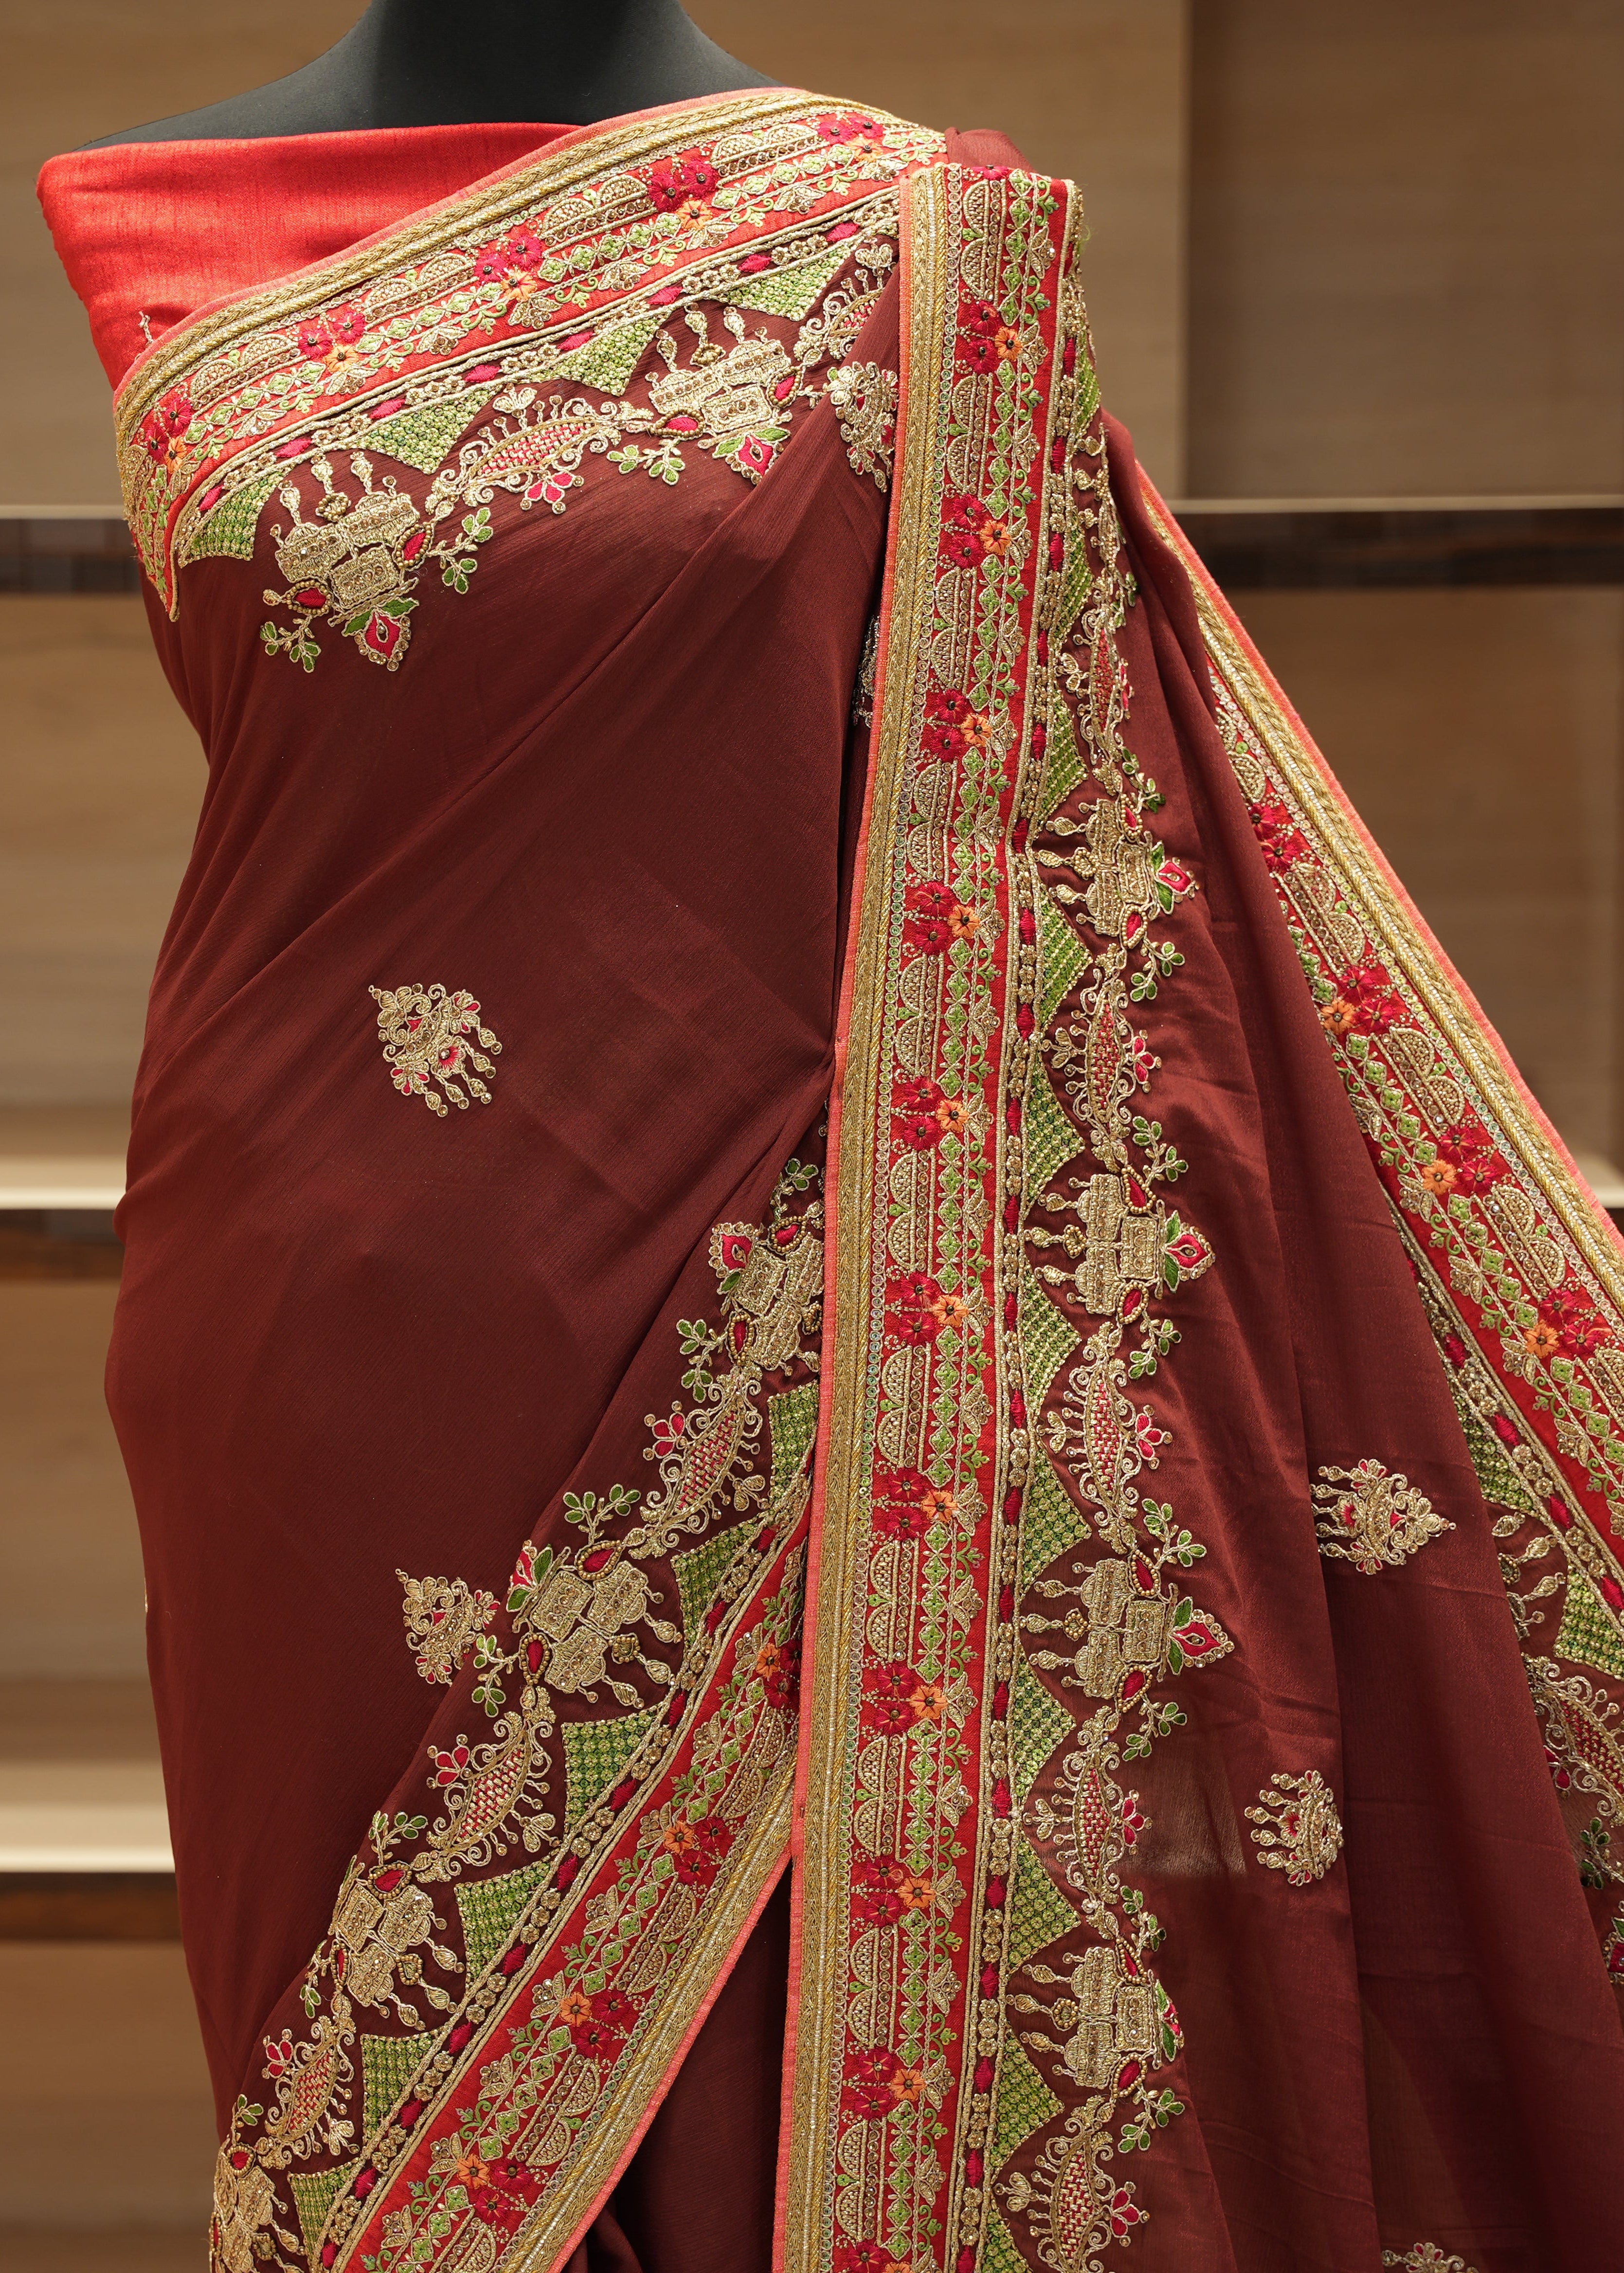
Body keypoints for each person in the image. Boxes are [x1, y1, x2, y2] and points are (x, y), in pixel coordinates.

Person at [38, 10, 1624, 2269]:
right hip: (302, 1338)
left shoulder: (916, 231)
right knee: (358, 2136)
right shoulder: (167, 223)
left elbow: (1080, 836)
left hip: (801, 1294)